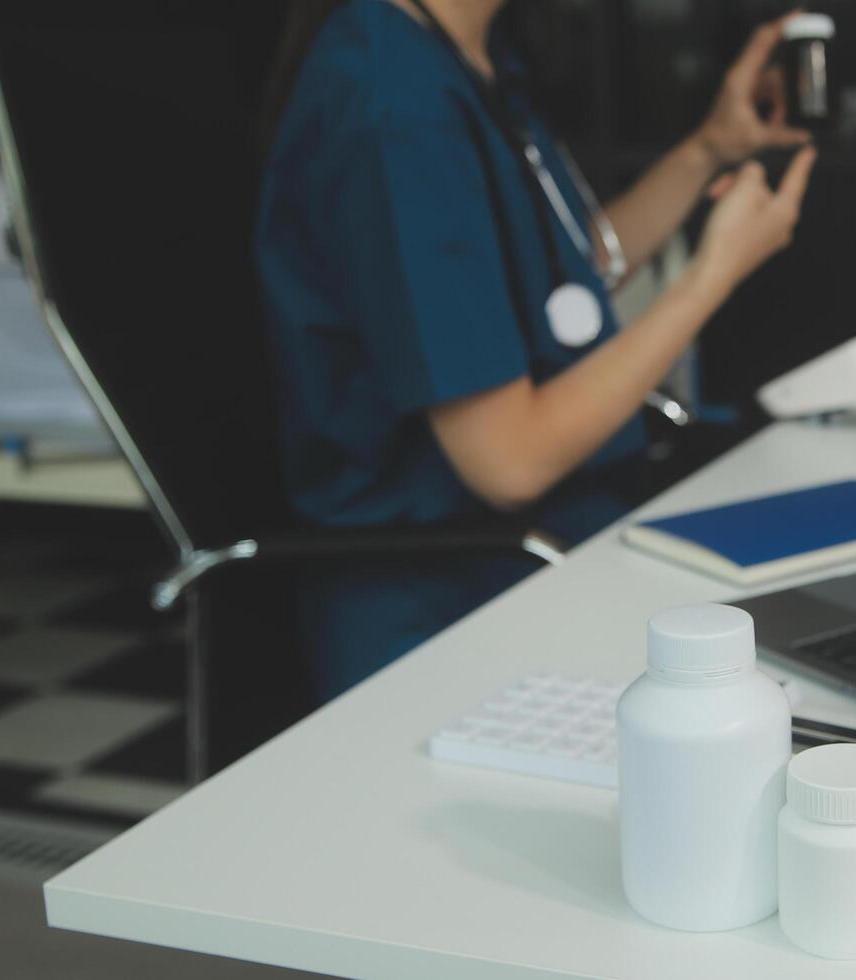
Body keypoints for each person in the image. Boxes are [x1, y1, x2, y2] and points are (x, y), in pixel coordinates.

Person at [256, 0, 816, 696]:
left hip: (552, 549)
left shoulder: (462, 56)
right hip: (454, 605)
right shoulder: (395, 107)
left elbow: (559, 284)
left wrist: (709, 149)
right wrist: (712, 275)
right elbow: (508, 458)